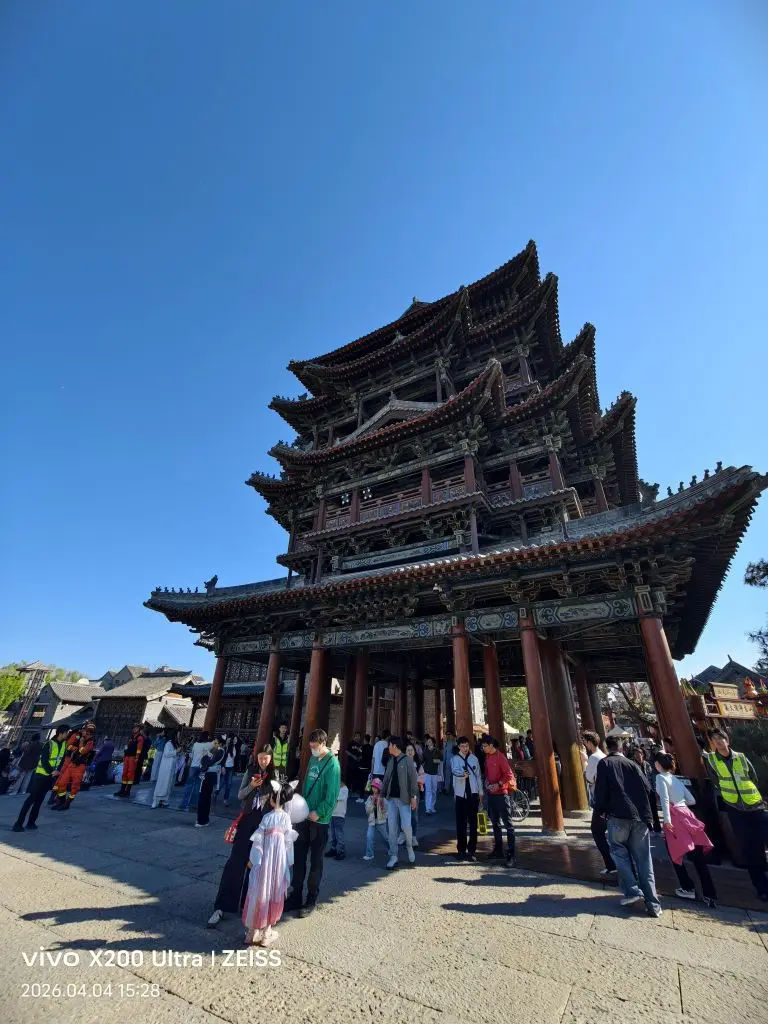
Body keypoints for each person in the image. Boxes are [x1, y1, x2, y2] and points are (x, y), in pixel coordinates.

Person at [593, 735, 662, 918]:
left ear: (607, 748)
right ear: (621, 748)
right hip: (640, 818)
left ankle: (632, 890)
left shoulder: (605, 764)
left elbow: (601, 791)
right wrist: (651, 818)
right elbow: (649, 790)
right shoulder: (633, 765)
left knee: (619, 854)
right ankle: (653, 904)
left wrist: (600, 810)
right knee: (644, 861)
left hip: (617, 817)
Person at [207, 744, 275, 928]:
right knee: (236, 861)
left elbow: (277, 801)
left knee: (257, 865)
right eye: (260, 757)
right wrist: (252, 786)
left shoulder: (274, 775)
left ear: (271, 758)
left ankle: (248, 903)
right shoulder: (250, 771)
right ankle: (222, 905)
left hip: (263, 824)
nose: (263, 761)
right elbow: (240, 795)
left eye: (266, 757)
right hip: (247, 820)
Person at [704, 727, 768, 901]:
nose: (718, 741)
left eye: (721, 738)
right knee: (749, 848)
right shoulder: (712, 761)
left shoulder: (740, 757)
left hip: (755, 805)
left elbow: (753, 777)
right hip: (735, 809)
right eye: (714, 739)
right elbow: (715, 781)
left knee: (762, 842)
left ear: (727, 740)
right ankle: (762, 887)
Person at [285, 729, 341, 917]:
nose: (313, 750)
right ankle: (295, 896)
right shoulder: (312, 759)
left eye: (315, 747)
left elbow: (332, 795)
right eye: (311, 747)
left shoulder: (332, 764)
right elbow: (307, 784)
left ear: (324, 743)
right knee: (299, 857)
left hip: (319, 820)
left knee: (316, 861)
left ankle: (311, 899)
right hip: (304, 815)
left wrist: (320, 812)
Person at [654, 751, 717, 907]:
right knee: (698, 857)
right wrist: (681, 804)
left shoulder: (660, 777)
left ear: (658, 765)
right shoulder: (675, 779)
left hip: (674, 817)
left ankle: (687, 887)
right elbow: (692, 800)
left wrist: (667, 819)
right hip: (687, 814)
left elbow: (664, 799)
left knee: (675, 853)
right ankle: (710, 894)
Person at [242, 780, 299, 946]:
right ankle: (267, 932)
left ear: (273, 800)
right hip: (278, 861)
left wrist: (253, 859)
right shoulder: (286, 818)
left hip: (264, 860)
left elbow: (258, 841)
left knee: (259, 889)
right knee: (274, 890)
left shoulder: (266, 817)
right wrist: (289, 862)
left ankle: (251, 932)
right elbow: (288, 843)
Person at [12, 727, 68, 832]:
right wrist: (52, 771)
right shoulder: (49, 744)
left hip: (50, 777)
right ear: (61, 733)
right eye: (66, 732)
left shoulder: (64, 745)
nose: (67, 734)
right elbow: (44, 759)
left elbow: (61, 760)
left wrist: (57, 771)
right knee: (31, 799)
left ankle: (31, 822)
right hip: (40, 775)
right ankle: (18, 824)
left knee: (39, 801)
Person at [582, 731, 616, 877]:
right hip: (609, 800)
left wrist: (584, 762)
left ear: (589, 742)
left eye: (585, 741)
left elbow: (589, 778)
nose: (584, 744)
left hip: (600, 802)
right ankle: (615, 862)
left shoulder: (594, 758)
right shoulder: (603, 755)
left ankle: (611, 864)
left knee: (597, 831)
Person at [382, 735, 418, 870]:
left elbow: (413, 780)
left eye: (389, 745)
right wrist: (381, 795)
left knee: (406, 826)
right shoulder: (390, 761)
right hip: (391, 799)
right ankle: (394, 855)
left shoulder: (408, 760)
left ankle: (409, 846)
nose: (388, 748)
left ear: (394, 746)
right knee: (392, 828)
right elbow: (386, 779)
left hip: (404, 799)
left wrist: (413, 797)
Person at [481, 735, 516, 866]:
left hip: (502, 794)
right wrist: (486, 782)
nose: (483, 748)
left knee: (508, 825)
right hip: (491, 794)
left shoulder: (500, 757)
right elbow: (487, 773)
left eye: (485, 746)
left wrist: (499, 784)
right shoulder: (487, 757)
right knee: (495, 824)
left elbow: (509, 774)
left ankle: (511, 855)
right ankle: (498, 850)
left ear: (491, 745)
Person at [451, 735, 483, 862]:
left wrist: (481, 792)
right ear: (459, 747)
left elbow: (478, 776)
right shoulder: (454, 759)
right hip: (460, 794)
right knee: (461, 823)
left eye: (467, 746)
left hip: (473, 793)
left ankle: (472, 850)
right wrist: (462, 775)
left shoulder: (474, 759)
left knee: (473, 823)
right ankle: (461, 850)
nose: (465, 748)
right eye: (462, 746)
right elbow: (454, 771)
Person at [52, 722, 96, 809]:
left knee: (75, 787)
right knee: (61, 783)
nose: (82, 731)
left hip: (80, 766)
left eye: (84, 730)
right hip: (72, 764)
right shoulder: (79, 737)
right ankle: (61, 801)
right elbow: (69, 745)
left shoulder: (90, 742)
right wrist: (76, 747)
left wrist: (80, 743)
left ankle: (67, 804)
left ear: (89, 732)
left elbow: (83, 751)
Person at [180, 730, 212, 810]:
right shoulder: (209, 745)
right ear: (206, 737)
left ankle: (184, 803)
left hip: (193, 766)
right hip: (201, 767)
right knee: (197, 786)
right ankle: (193, 804)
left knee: (189, 785)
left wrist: (189, 762)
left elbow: (191, 755)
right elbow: (217, 745)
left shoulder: (195, 744)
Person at [196, 738, 225, 827]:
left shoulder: (220, 751)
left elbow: (209, 761)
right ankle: (203, 819)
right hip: (208, 774)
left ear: (220, 744)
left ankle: (202, 820)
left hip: (209, 774)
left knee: (204, 797)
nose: (214, 744)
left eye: (216, 743)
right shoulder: (214, 750)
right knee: (205, 797)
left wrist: (204, 763)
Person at [114, 725, 145, 799]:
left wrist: (137, 757)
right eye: (134, 728)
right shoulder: (131, 737)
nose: (134, 729)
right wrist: (125, 756)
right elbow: (128, 747)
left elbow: (139, 749)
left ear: (139, 729)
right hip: (127, 756)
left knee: (130, 774)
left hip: (133, 757)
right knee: (124, 773)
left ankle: (127, 791)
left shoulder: (140, 738)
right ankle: (122, 790)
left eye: (136, 728)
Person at [362, 778, 388, 861]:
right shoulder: (370, 798)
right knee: (369, 837)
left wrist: (382, 805)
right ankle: (369, 854)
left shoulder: (383, 799)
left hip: (381, 822)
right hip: (372, 821)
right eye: (373, 787)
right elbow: (368, 811)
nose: (374, 789)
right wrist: (373, 802)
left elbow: (386, 811)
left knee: (386, 838)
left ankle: (392, 850)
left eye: (376, 787)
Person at [151, 729, 178, 808]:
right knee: (162, 783)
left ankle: (164, 801)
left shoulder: (173, 744)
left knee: (168, 785)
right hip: (166, 768)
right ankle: (156, 800)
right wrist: (176, 752)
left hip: (171, 768)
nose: (177, 737)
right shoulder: (168, 744)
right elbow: (167, 753)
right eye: (176, 735)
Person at [326, 778, 349, 860]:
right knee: (333, 833)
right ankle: (333, 849)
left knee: (339, 833)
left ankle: (341, 851)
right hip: (332, 814)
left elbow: (337, 797)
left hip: (339, 815)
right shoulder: (337, 788)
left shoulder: (345, 789)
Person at [422, 735, 441, 814]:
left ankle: (432, 806)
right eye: (428, 741)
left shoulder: (437, 751)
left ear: (433, 743)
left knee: (434, 790)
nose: (428, 742)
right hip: (427, 773)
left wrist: (434, 760)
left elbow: (439, 761)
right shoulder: (425, 751)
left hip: (434, 773)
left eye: (430, 741)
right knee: (428, 790)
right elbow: (423, 761)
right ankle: (428, 808)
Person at [346, 731, 363, 802]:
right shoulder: (351, 743)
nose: (358, 737)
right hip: (350, 763)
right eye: (357, 736)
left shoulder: (360, 745)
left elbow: (361, 753)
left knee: (355, 778)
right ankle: (347, 792)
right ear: (354, 736)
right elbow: (347, 751)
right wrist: (353, 756)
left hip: (357, 764)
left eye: (359, 736)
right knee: (349, 778)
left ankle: (354, 791)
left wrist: (360, 757)